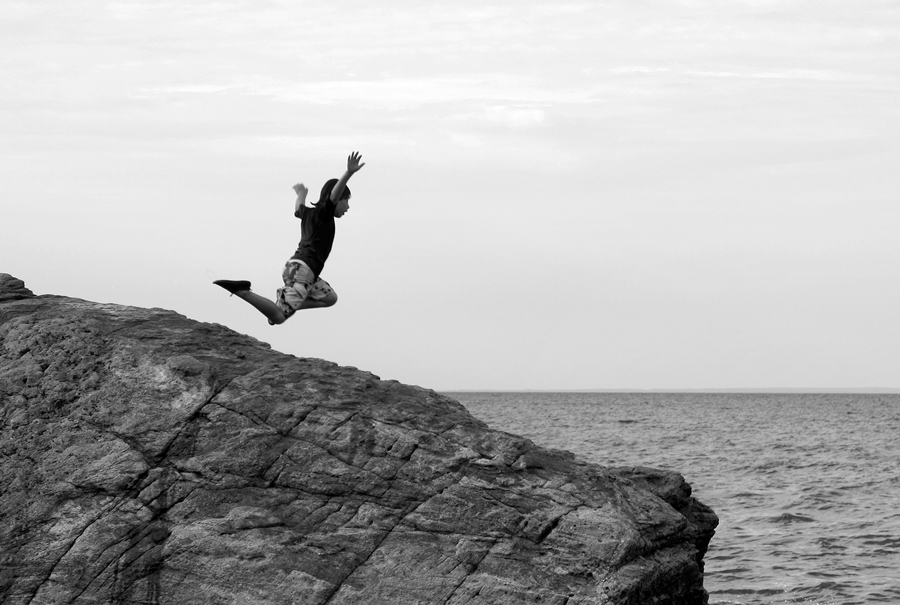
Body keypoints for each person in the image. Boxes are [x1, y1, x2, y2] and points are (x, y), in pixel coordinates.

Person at [214, 151, 365, 325]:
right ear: (338, 200)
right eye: (346, 200)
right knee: (277, 318)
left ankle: (284, 304)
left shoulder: (309, 214)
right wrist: (349, 173)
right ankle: (242, 291)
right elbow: (333, 195)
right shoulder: (325, 214)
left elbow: (298, 208)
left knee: (329, 297)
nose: (348, 206)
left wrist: (301, 192)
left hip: (297, 268)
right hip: (303, 272)